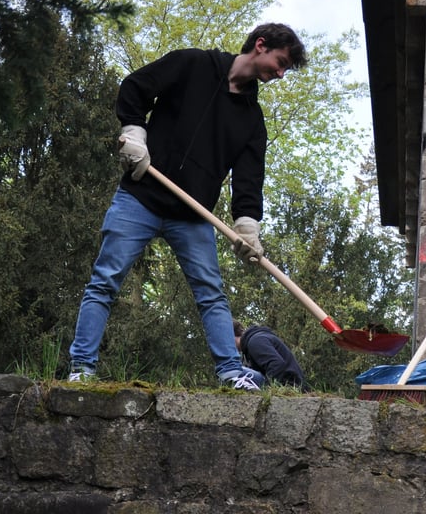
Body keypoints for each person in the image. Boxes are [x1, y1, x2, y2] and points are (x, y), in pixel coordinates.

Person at [67, 23, 308, 390]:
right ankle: (81, 368)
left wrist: (247, 224)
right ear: (260, 45)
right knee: (104, 282)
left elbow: (248, 179)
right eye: (280, 62)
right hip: (140, 198)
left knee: (212, 295)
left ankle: (231, 372)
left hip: (192, 216)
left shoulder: (251, 120)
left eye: (285, 69)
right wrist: (134, 131)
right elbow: (135, 87)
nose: (280, 73)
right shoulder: (193, 65)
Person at [233, 321, 309, 391]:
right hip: (287, 383)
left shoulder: (255, 341)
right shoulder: (252, 343)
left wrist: (266, 389)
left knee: (230, 369)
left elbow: (276, 364)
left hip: (289, 384)